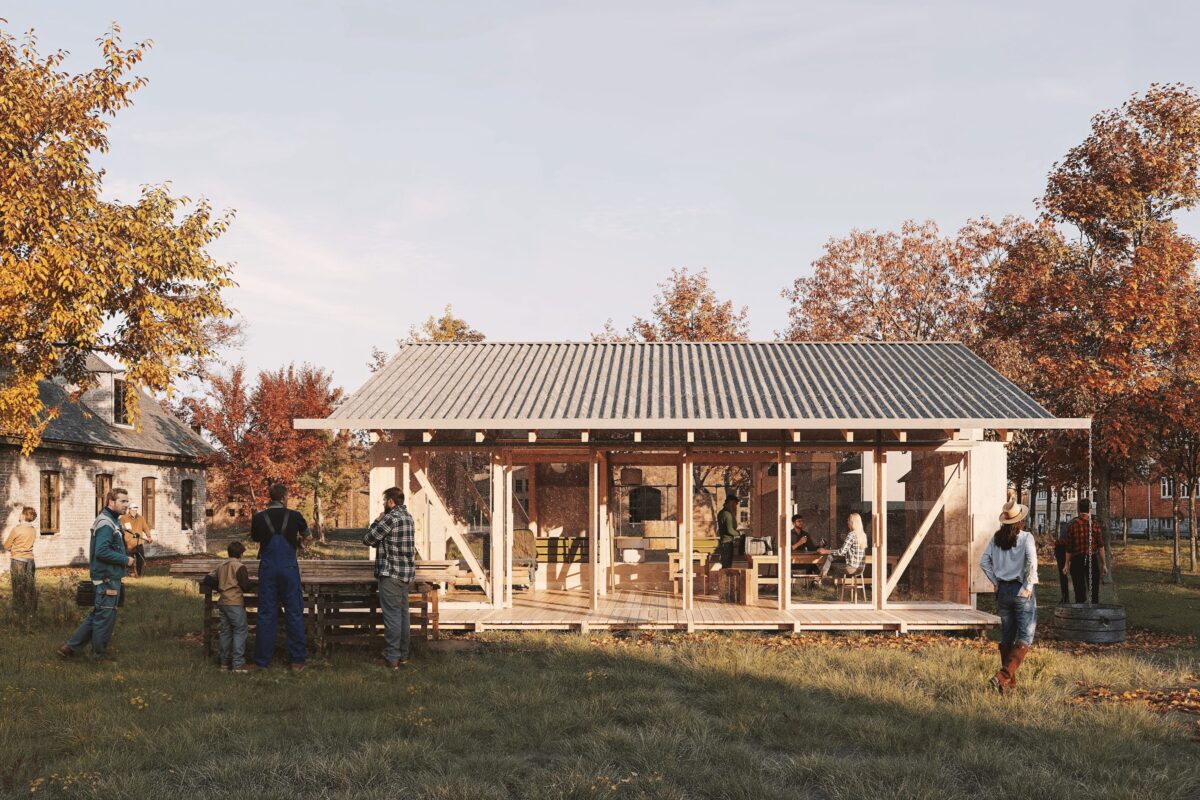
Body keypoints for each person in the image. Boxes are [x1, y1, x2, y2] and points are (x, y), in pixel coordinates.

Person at [58, 488, 134, 662]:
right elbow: (101, 552)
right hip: (107, 578)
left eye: (127, 501)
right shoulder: (106, 523)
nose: (126, 505)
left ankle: (69, 648)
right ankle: (99, 656)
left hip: (109, 577)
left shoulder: (112, 521)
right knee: (105, 618)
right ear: (111, 502)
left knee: (98, 615)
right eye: (122, 501)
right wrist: (125, 560)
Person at [980, 493, 1038, 694]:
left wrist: (995, 581)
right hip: (1020, 589)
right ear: (1020, 521)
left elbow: (983, 562)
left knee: (1007, 636)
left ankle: (1008, 684)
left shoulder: (996, 539)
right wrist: (1028, 587)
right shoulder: (1026, 538)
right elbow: (1031, 562)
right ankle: (1002, 676)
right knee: (1026, 636)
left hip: (1003, 590)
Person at [250, 483, 311, 670]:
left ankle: (262, 661)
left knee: (266, 614)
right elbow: (307, 536)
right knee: (294, 613)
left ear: (270, 497)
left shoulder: (259, 517)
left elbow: (256, 538)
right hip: (289, 568)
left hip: (268, 569)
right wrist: (299, 542)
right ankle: (297, 660)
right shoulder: (295, 516)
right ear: (284, 498)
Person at [362, 487, 416, 669]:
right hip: (405, 575)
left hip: (391, 574)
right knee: (403, 616)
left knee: (392, 617)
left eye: (385, 501)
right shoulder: (408, 517)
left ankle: (392, 658)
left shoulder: (389, 518)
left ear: (391, 501)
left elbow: (368, 539)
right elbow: (383, 540)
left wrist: (376, 521)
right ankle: (404, 655)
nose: (384, 504)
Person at [207, 541, 253, 673]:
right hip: (235, 602)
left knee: (225, 631)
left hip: (223, 602)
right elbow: (245, 586)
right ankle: (238, 664)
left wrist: (220, 587)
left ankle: (224, 663)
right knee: (240, 630)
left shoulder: (221, 565)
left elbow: (207, 579)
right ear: (240, 554)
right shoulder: (239, 566)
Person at [1063, 498, 1106, 605]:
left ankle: (1080, 614)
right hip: (1091, 559)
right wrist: (1104, 564)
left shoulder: (1072, 525)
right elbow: (1100, 546)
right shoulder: (1095, 525)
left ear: (1079, 509)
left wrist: (1066, 564)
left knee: (1079, 591)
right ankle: (1094, 614)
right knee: (1094, 591)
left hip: (1077, 560)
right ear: (1090, 509)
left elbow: (1069, 548)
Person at [3, 507, 39, 617]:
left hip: (18, 560)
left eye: (21, 513)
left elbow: (6, 545)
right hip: (30, 561)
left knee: (18, 586)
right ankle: (31, 612)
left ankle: (18, 612)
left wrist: (12, 548)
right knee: (29, 586)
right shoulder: (33, 529)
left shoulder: (16, 529)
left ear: (23, 515)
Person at [817, 513, 867, 582]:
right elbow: (851, 552)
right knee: (831, 558)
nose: (847, 522)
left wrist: (826, 551)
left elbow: (841, 552)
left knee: (833, 566)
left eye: (848, 521)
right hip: (861, 568)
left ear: (852, 522)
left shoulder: (851, 534)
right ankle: (821, 580)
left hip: (851, 568)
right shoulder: (863, 535)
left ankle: (825, 581)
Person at [119, 504, 155, 578]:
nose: (134, 511)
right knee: (129, 560)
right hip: (128, 543)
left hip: (139, 543)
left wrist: (149, 536)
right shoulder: (123, 518)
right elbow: (120, 529)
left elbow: (145, 528)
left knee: (141, 560)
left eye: (136, 509)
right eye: (133, 509)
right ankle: (130, 574)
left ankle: (138, 574)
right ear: (129, 509)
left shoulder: (141, 518)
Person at [715, 495, 740, 569]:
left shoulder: (721, 512)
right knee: (727, 566)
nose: (735, 507)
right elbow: (730, 530)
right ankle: (725, 580)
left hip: (723, 541)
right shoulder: (727, 514)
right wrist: (740, 533)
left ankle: (724, 579)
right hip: (727, 543)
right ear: (730, 503)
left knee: (725, 565)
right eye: (735, 504)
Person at [1052, 518, 1071, 604]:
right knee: (1064, 573)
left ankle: (1065, 597)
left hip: (1062, 549)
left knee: (1063, 574)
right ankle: (1065, 597)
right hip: (1063, 549)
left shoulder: (1067, 528)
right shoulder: (1069, 527)